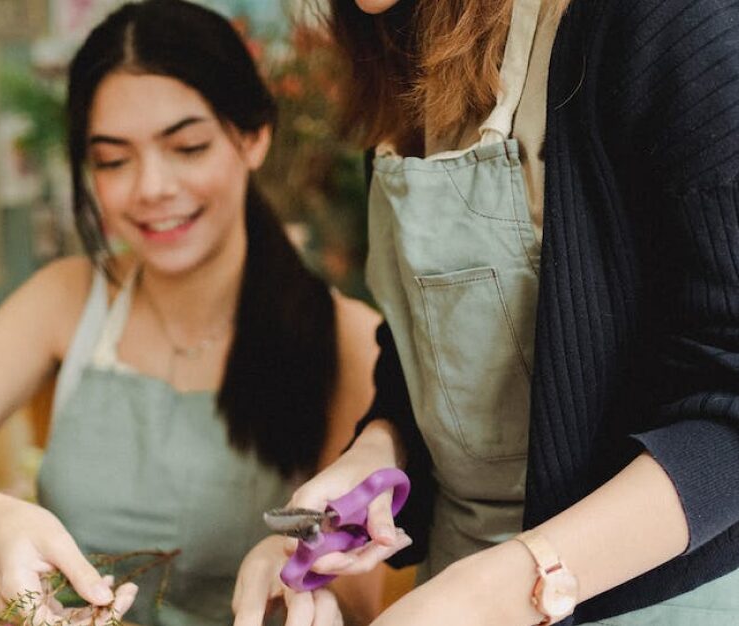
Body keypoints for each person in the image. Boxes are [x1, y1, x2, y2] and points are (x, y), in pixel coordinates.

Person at [0, 1, 385, 624]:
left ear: (254, 137)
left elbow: (357, 604)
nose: (152, 188)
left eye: (187, 147)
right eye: (113, 160)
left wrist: (299, 571)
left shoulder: (347, 337)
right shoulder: (66, 299)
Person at [233, 0, 739, 624]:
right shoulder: (405, 39)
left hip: (658, 601)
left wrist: (494, 590)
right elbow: (430, 345)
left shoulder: (670, 21)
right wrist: (375, 458)